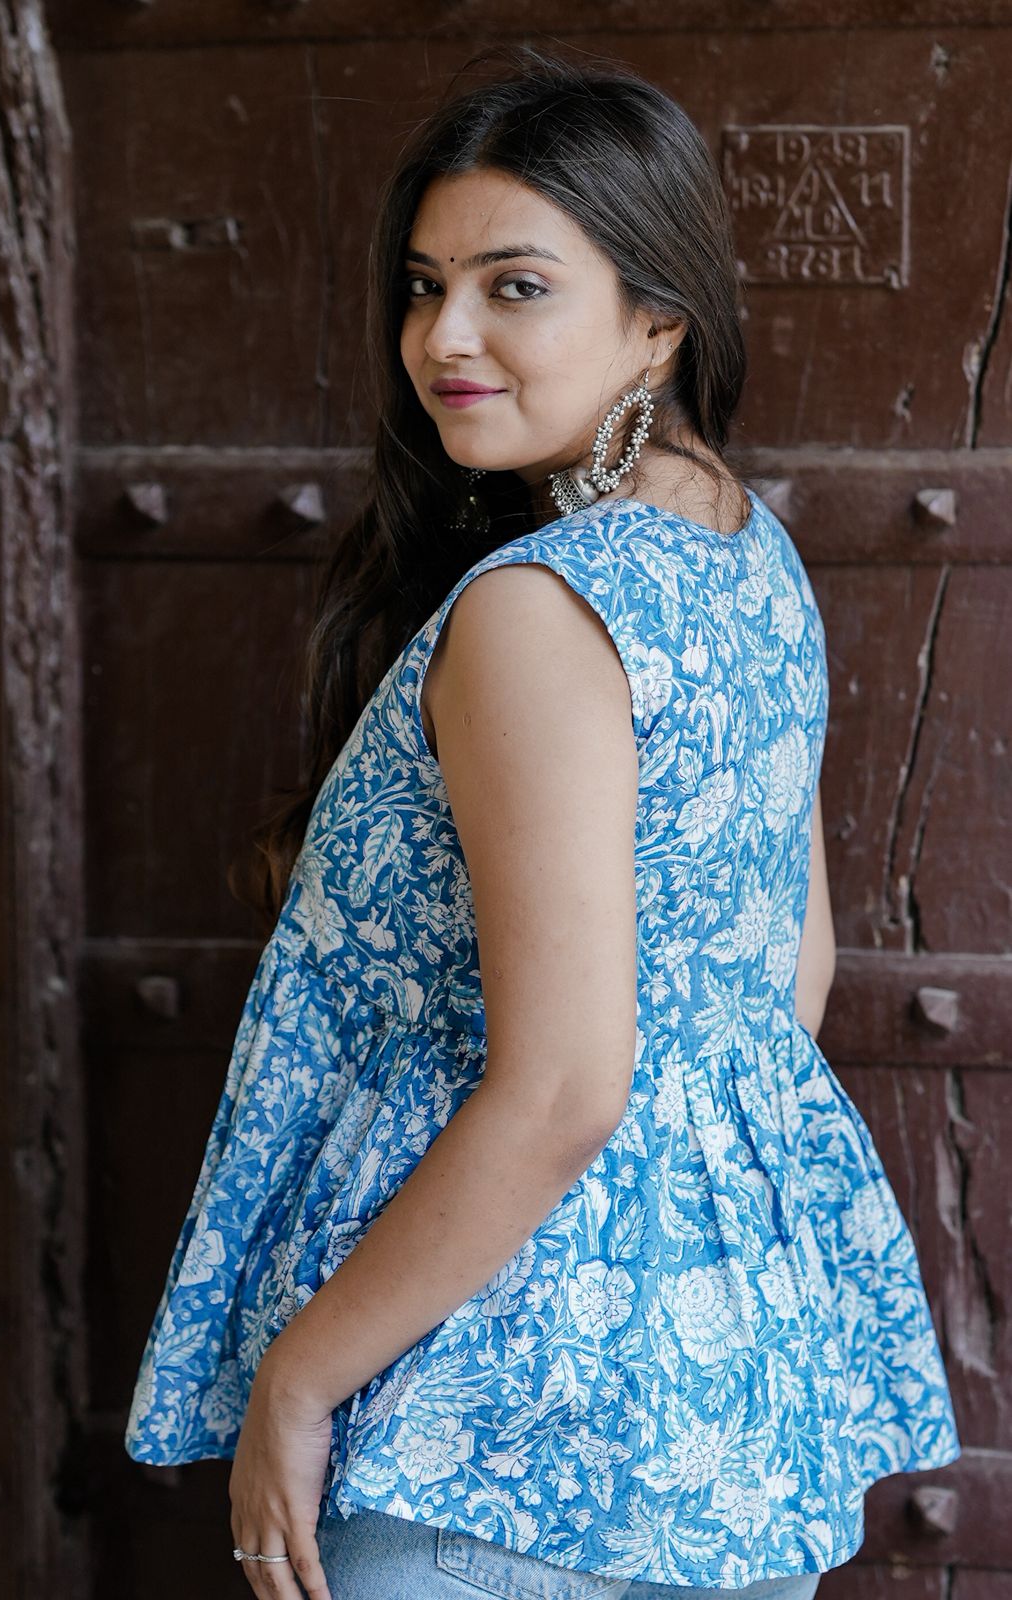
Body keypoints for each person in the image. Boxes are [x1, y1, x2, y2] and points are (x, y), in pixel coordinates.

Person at [122, 44, 962, 1600]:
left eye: (514, 286)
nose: (444, 337)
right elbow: (792, 977)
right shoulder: (749, 554)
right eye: (424, 286)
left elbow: (568, 1083)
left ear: (659, 318)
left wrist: (299, 1379)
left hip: (498, 1429)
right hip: (717, 1412)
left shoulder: (542, 610)